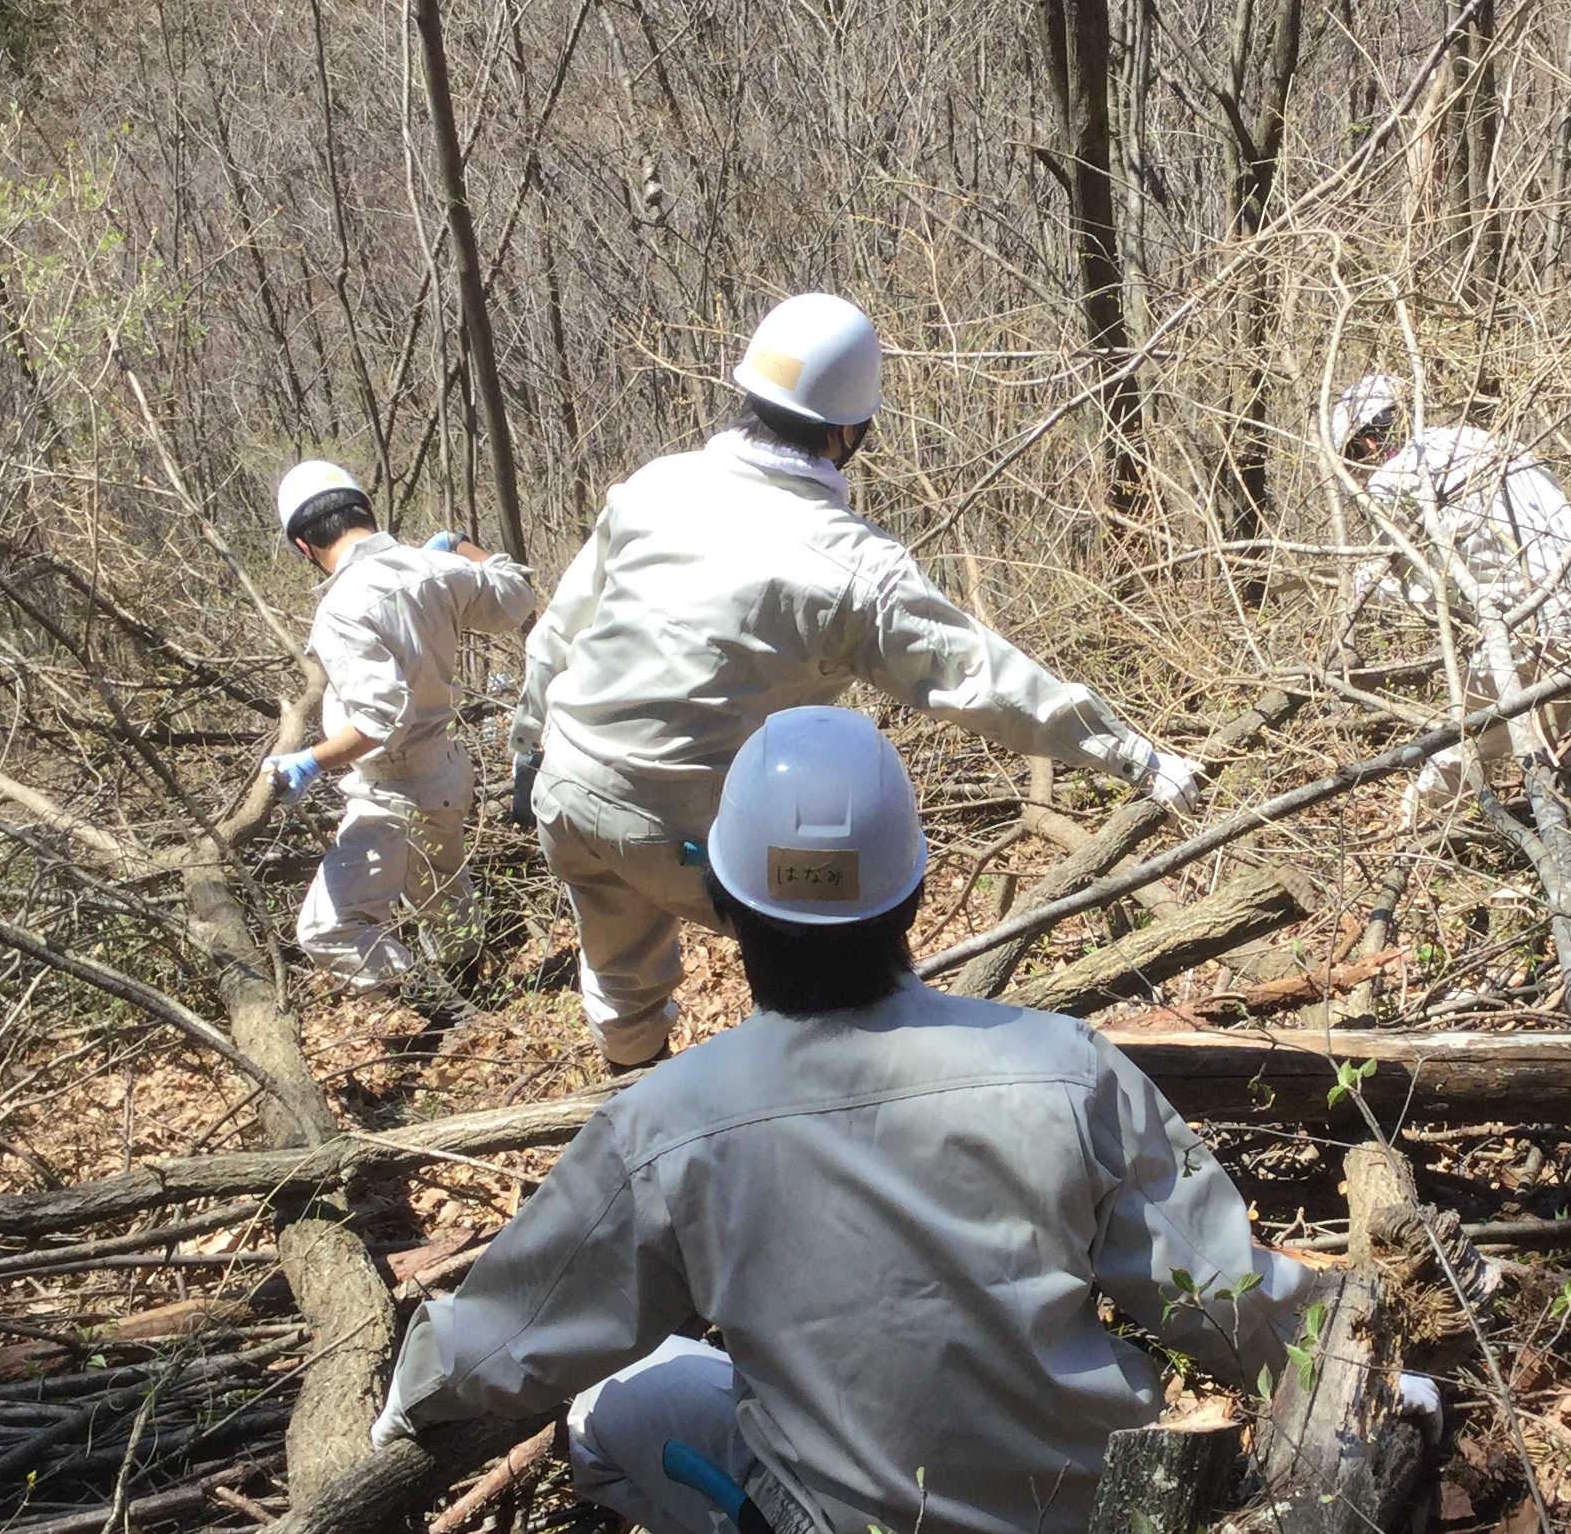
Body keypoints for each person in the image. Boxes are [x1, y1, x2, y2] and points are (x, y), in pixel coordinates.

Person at [371, 706, 1346, 1534]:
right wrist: (1354, 1364)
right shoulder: (1064, 1065)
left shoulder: (666, 1124)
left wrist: (408, 1393)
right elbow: (1226, 1294)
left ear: (727, 902)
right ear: (913, 896)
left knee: (603, 1408)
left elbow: (508, 1344)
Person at [511, 292, 1204, 1073]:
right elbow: (978, 676)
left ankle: (634, 1104)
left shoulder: (655, 487)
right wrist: (1131, 755)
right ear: (850, 429)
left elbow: (559, 631)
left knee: (620, 979)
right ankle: (832, 1105)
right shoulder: (850, 567)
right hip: (684, 835)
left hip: (566, 791)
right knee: (833, 958)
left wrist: (527, 750)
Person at [260, 460, 539, 1010]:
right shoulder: (429, 568)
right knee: (441, 898)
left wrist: (310, 761)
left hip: (392, 787)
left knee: (326, 929)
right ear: (367, 511)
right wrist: (458, 546)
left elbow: (379, 717)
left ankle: (445, 1008)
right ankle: (473, 998)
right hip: (447, 771)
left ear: (302, 544)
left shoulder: (339, 610)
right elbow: (517, 594)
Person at [1330, 375, 1571, 821]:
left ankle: (1416, 834)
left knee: (1468, 737)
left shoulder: (1391, 482)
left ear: (1366, 441)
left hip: (1533, 614)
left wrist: (1368, 582)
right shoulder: (1475, 437)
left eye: (1354, 454)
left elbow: (1429, 588)